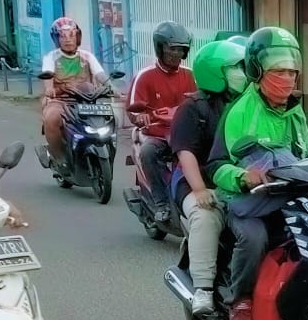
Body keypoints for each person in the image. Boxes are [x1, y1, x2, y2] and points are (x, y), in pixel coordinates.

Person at [209, 26, 308, 320]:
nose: (287, 78)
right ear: (257, 70)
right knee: (254, 238)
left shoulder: (296, 111)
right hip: (245, 200)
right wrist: (243, 176)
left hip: (289, 195)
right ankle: (240, 301)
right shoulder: (239, 112)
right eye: (278, 70)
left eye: (291, 71)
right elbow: (215, 165)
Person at [169, 36, 247, 316]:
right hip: (196, 182)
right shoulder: (194, 108)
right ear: (216, 71)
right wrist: (200, 189)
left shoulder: (247, 104)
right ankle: (203, 288)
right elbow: (185, 153)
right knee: (206, 216)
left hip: (236, 181)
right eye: (236, 68)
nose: (243, 73)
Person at [126, 21, 196, 228]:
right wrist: (140, 117)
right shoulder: (145, 76)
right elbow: (132, 109)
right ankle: (161, 203)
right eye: (172, 48)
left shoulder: (192, 75)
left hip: (185, 134)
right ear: (160, 47)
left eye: (181, 49)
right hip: (157, 134)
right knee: (148, 152)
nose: (176, 53)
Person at [40, 17, 109, 167]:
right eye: (62, 36)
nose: (68, 40)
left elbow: (100, 74)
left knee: (111, 117)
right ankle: (59, 158)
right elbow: (48, 74)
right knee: (51, 119)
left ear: (78, 37)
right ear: (56, 39)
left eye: (72, 35)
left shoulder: (87, 56)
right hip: (61, 100)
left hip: (87, 100)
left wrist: (112, 87)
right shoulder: (51, 57)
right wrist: (49, 88)